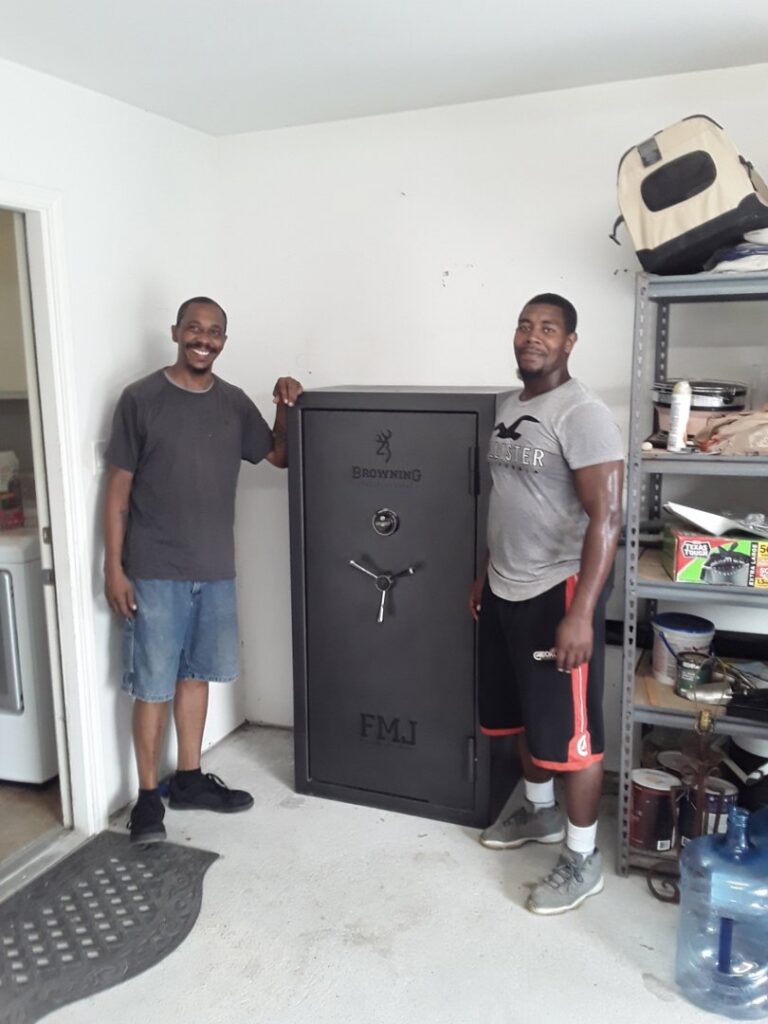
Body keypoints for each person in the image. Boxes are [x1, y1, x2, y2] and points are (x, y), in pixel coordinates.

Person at [104, 296, 302, 844]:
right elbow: (117, 488)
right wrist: (113, 568)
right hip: (153, 569)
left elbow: (278, 455)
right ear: (176, 331)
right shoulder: (141, 399)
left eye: (215, 331)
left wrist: (284, 401)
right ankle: (148, 800)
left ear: (223, 340)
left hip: (214, 569)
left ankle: (188, 779)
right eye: (195, 328)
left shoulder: (234, 403)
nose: (204, 339)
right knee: (153, 685)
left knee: (195, 675)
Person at [469, 293, 623, 915]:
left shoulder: (583, 413)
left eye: (548, 328)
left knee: (574, 739)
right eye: (526, 325)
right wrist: (486, 573)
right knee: (519, 718)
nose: (533, 336)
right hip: (505, 586)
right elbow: (509, 500)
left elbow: (606, 516)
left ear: (569, 342)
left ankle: (583, 860)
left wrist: (582, 611)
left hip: (556, 592)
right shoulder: (512, 404)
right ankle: (538, 816)